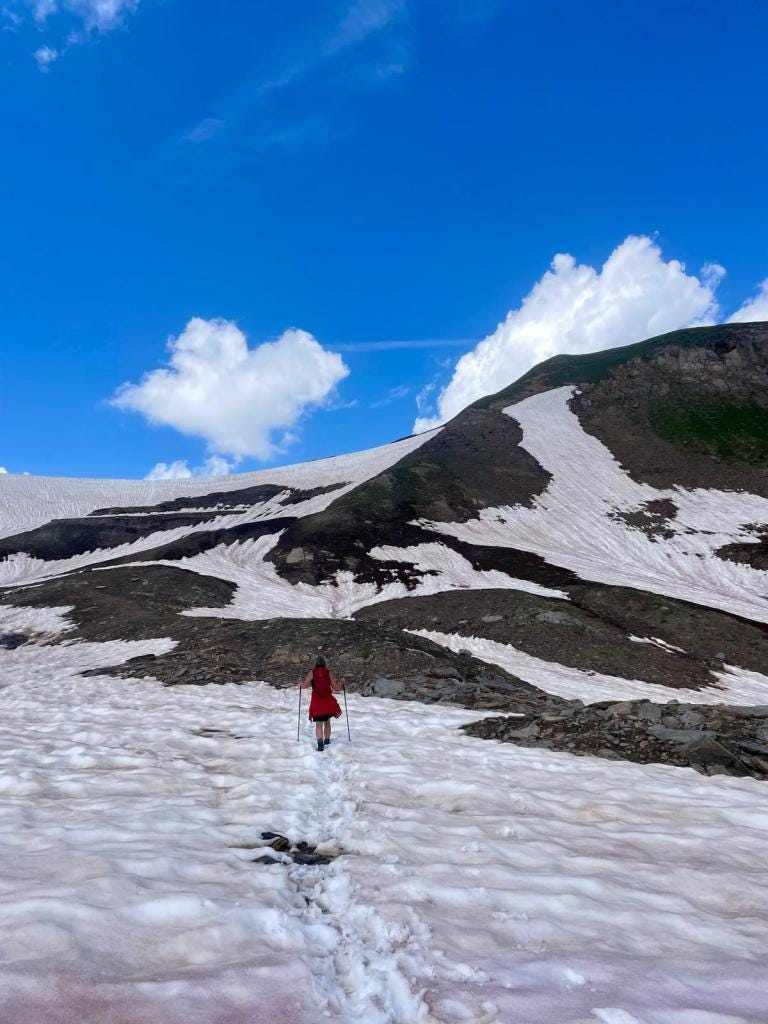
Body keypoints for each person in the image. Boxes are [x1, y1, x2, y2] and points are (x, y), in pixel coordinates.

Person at [301, 656, 345, 751]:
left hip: (317, 702)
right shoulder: (329, 672)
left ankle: (320, 744)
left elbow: (304, 686)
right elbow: (336, 687)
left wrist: (301, 683)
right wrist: (342, 681)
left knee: (318, 724)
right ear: (325, 663)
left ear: (315, 663)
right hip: (327, 702)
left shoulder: (312, 672)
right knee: (327, 722)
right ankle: (327, 741)